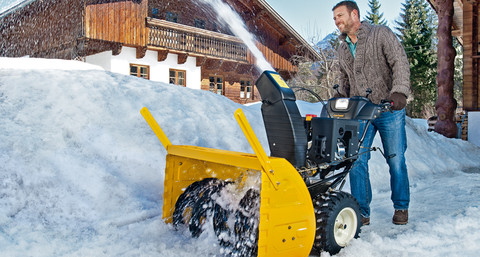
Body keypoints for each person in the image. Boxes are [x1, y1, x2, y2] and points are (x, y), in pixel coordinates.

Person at [332, 0, 411, 225]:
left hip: (389, 108)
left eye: (340, 15)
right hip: (360, 111)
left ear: (354, 14)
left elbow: (400, 63)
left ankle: (401, 206)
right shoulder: (342, 47)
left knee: (395, 159)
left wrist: (399, 92)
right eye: (335, 18)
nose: (337, 21)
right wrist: (339, 96)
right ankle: (361, 211)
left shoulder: (381, 34)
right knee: (356, 159)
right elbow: (343, 78)